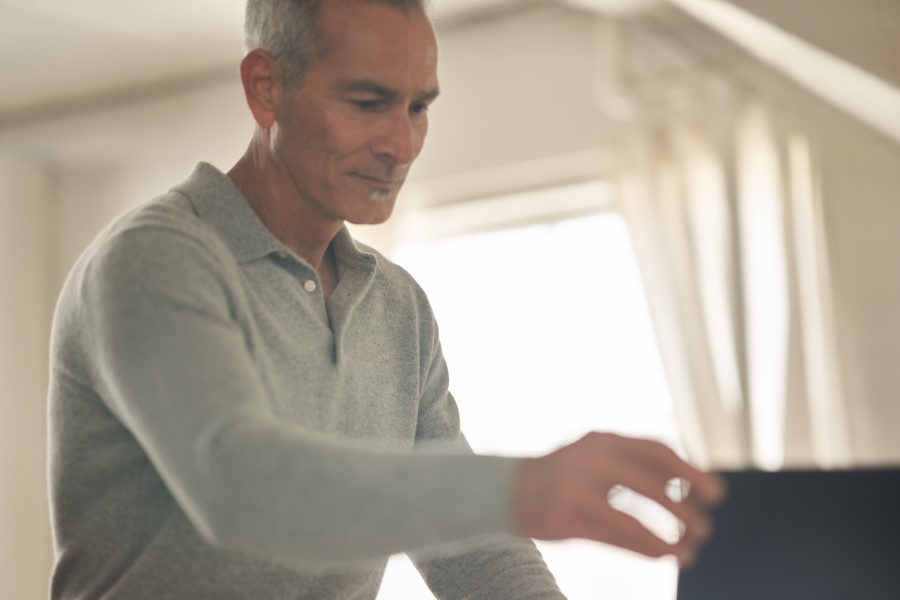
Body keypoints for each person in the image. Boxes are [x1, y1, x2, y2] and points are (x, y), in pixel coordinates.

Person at [47, 0, 724, 597]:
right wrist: (521, 490)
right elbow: (242, 488)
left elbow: (472, 551)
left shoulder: (397, 307)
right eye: (367, 103)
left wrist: (507, 511)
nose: (400, 145)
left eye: (419, 106)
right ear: (266, 88)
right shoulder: (156, 258)